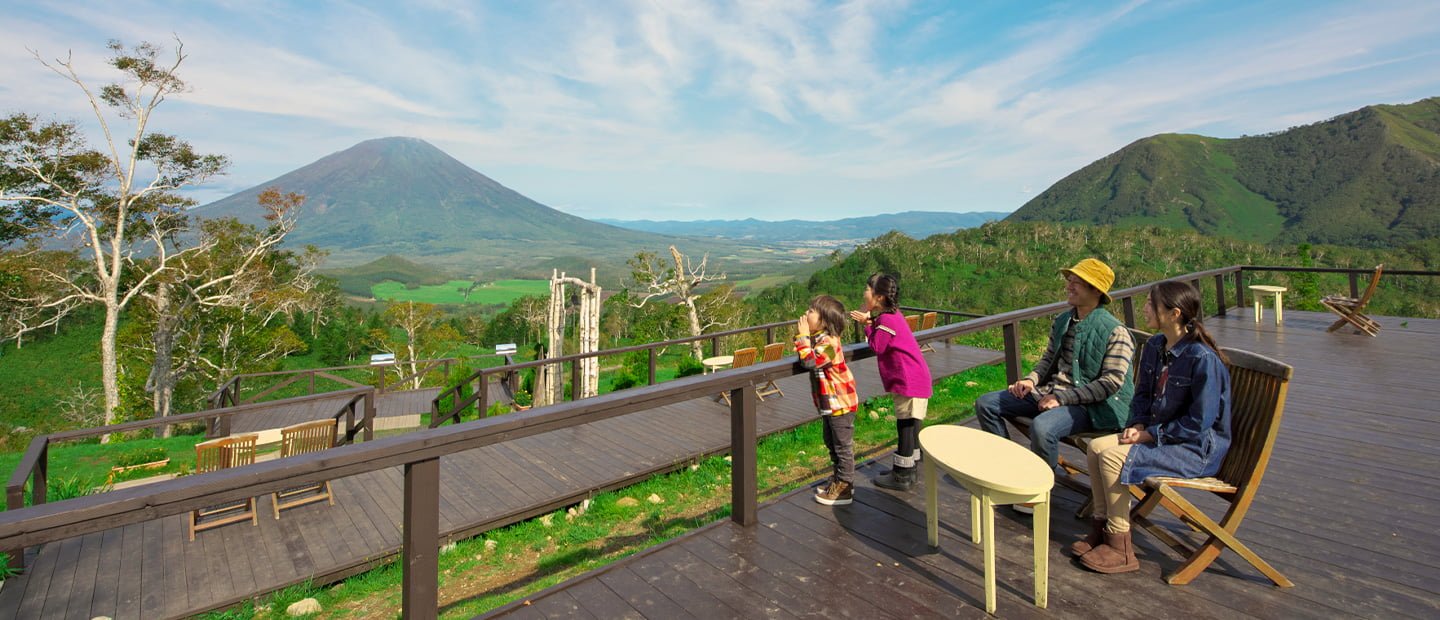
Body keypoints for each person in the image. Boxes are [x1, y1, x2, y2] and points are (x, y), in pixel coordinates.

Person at [1074, 280, 1231, 574]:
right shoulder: (1156, 346)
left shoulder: (1202, 359)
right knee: (1097, 447)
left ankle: (1120, 546)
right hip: (1162, 437)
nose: (1144, 308)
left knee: (1110, 456)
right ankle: (1101, 527)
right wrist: (1137, 423)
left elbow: (1199, 422)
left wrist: (1150, 434)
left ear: (1174, 314)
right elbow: (1143, 394)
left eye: (1151, 304)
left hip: (1194, 449)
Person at [974, 258, 1135, 513]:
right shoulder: (1064, 320)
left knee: (1043, 427)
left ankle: (1038, 489)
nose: (1069, 286)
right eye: (1070, 280)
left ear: (1096, 291)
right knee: (987, 403)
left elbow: (1111, 383)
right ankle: (1008, 471)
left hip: (1092, 405)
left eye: (1077, 282)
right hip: (1050, 393)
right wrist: (1030, 380)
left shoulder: (1116, 332)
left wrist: (1063, 399)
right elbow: (1048, 360)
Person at [848, 273, 932, 491]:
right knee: (911, 422)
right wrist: (870, 320)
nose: (863, 294)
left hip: (908, 379)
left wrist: (866, 324)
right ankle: (909, 468)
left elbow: (877, 346)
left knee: (905, 423)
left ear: (879, 297)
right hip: (915, 377)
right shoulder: (892, 315)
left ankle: (902, 475)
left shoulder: (886, 319)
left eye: (867, 290)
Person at [796, 294, 860, 506]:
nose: (807, 314)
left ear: (823, 321)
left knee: (842, 446)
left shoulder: (829, 343)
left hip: (840, 403)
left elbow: (809, 361)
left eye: (811, 311)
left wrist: (803, 336)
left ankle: (845, 487)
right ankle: (838, 480)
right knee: (831, 443)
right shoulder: (821, 339)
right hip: (830, 405)